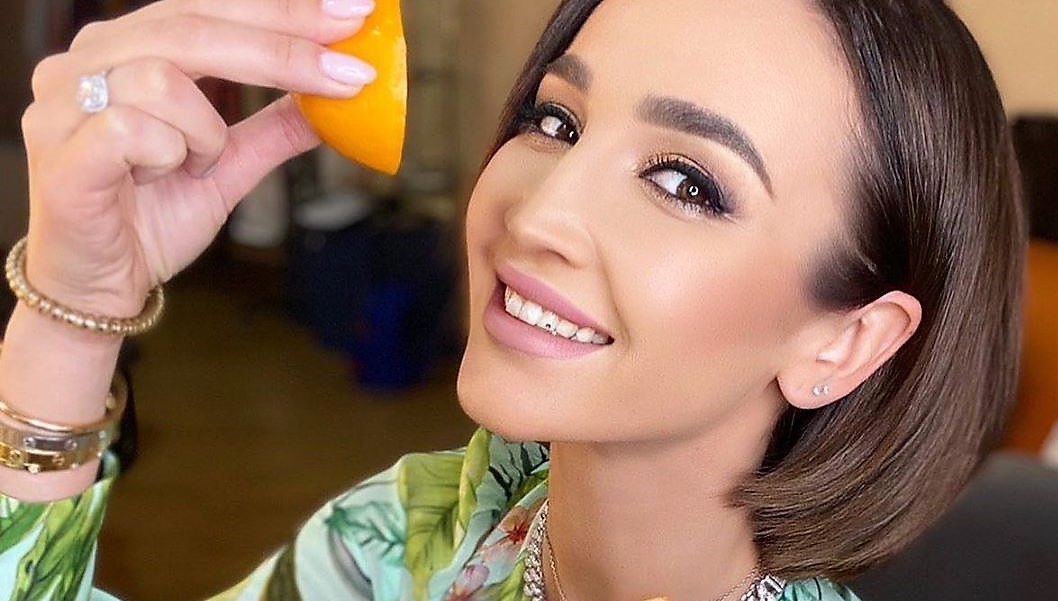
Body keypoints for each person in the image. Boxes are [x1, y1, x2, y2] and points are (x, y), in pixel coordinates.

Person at [0, 0, 1025, 599]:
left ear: (845, 340)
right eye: (557, 121)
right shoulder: (411, 535)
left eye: (685, 183)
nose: (538, 211)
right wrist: (71, 307)